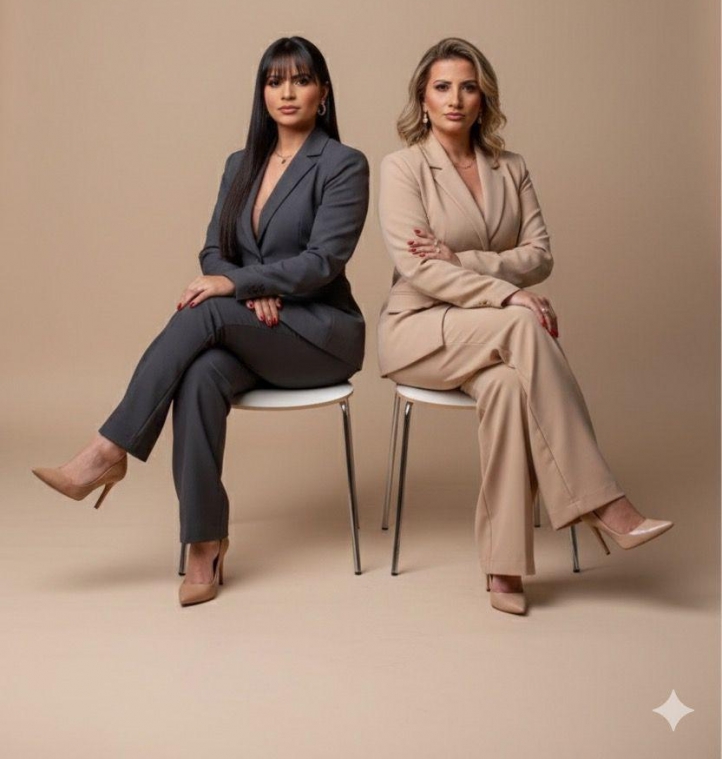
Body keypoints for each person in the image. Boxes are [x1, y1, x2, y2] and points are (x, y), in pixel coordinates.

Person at [33, 36, 370, 607]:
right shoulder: (240, 164)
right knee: (200, 373)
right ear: (262, 93)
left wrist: (241, 285)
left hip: (320, 336)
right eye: (274, 81)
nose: (287, 92)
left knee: (207, 307)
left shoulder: (342, 164)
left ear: (324, 92)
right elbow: (213, 252)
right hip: (254, 331)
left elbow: (323, 262)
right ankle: (204, 543)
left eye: (301, 79)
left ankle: (106, 452)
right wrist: (245, 289)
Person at [377, 37, 672, 615]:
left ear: (483, 98)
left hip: (489, 335)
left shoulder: (510, 168)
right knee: (522, 325)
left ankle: (504, 564)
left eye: (468, 87)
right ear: (423, 98)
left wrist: (464, 260)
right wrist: (507, 291)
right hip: (421, 329)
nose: (455, 99)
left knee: (511, 387)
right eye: (442, 87)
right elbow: (420, 269)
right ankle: (604, 503)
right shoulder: (402, 167)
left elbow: (541, 255)